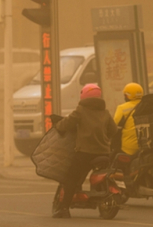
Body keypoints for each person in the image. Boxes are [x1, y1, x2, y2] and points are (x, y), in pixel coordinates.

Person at [53, 84, 117, 218]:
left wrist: (58, 126)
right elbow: (113, 130)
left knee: (70, 178)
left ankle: (64, 208)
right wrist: (106, 140)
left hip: (85, 154)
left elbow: (67, 123)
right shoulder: (105, 112)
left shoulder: (81, 110)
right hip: (104, 153)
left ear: (84, 95)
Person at [113, 82, 144, 156]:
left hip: (129, 148)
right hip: (145, 145)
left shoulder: (122, 108)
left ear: (127, 96)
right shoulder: (145, 105)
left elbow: (114, 126)